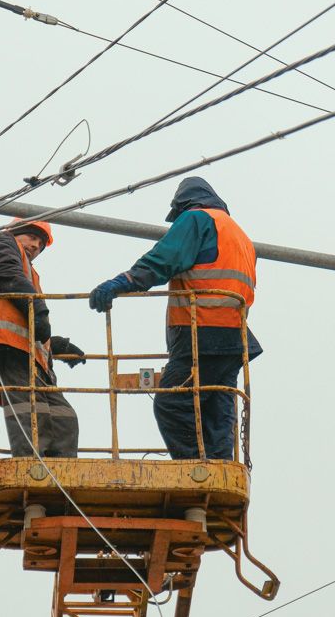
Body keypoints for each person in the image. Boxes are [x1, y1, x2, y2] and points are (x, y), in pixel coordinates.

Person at [88, 177, 261, 460]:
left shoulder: (196, 219)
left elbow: (163, 260)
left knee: (171, 404)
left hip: (201, 331)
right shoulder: (240, 236)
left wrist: (122, 282)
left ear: (183, 205)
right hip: (234, 336)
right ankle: (219, 467)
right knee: (216, 407)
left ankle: (195, 469)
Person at [0, 219, 85, 458]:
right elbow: (6, 274)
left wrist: (56, 345)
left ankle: (60, 470)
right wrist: (39, 311)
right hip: (7, 346)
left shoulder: (26, 269)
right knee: (31, 410)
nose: (35, 246)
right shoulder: (1, 242)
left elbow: (24, 321)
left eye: (40, 244)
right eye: (31, 237)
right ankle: (32, 465)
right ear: (15, 232)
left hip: (27, 354)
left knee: (64, 417)